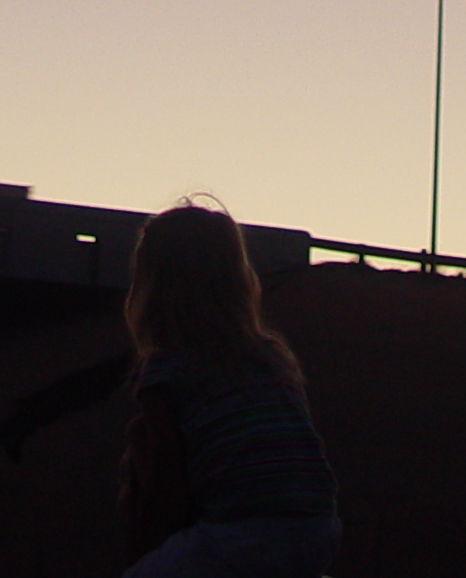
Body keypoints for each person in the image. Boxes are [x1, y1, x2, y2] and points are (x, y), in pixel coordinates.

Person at [119, 201, 340, 577]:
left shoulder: (168, 370)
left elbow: (167, 494)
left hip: (241, 538)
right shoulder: (270, 358)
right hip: (318, 531)